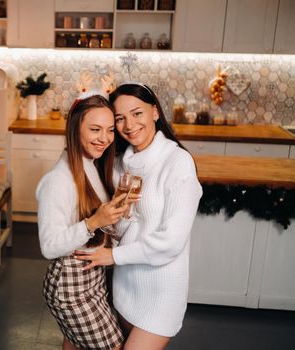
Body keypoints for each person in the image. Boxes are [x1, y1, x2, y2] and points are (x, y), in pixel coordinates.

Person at [75, 83, 203, 350]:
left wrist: (113, 256)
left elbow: (171, 242)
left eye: (137, 113)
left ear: (155, 112)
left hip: (160, 290)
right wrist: (113, 216)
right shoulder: (120, 164)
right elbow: (123, 229)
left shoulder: (177, 162)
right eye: (119, 118)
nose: (129, 125)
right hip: (124, 285)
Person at [36, 95, 137, 350]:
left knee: (75, 345)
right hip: (70, 290)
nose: (105, 138)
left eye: (110, 130)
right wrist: (93, 222)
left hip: (93, 280)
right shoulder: (58, 181)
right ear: (75, 128)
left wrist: (115, 211)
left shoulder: (90, 164)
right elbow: (48, 247)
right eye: (95, 129)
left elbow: (93, 220)